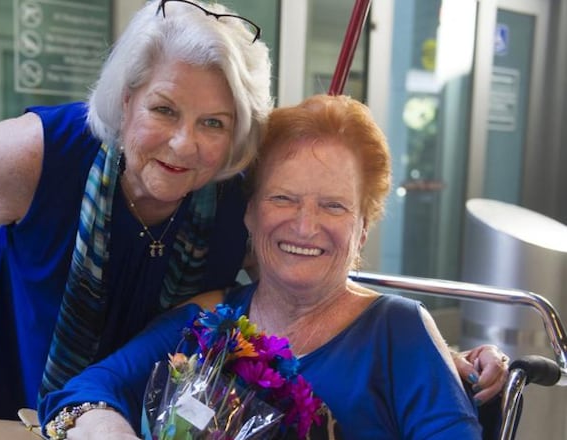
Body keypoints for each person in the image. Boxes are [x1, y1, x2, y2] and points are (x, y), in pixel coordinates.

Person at [0, 0, 504, 421]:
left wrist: (436, 354)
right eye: (164, 109)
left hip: (154, 354)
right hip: (38, 324)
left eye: (216, 123)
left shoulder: (235, 192)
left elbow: (319, 276)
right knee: (29, 416)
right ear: (126, 100)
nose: (186, 143)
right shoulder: (40, 153)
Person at [37, 95, 503, 439]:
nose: (305, 225)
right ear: (250, 212)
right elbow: (81, 393)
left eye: (334, 206)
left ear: (362, 230)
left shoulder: (398, 330)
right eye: (283, 198)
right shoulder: (209, 320)